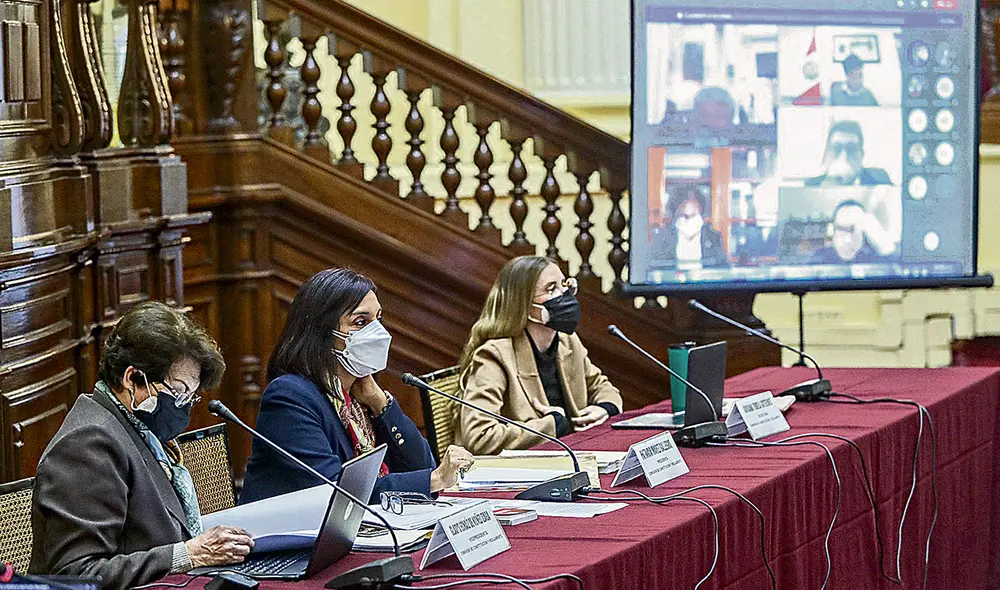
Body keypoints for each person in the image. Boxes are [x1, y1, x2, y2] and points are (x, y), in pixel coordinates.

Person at [30, 302, 251, 590]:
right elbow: (77, 574)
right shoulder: (87, 444)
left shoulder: (138, 428)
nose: (183, 407)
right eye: (178, 392)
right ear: (132, 379)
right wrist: (189, 554)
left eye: (190, 397)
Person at [240, 268, 473, 504]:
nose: (377, 332)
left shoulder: (358, 393)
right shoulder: (290, 397)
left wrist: (380, 403)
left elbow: (422, 465)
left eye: (378, 319)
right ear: (321, 333)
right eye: (360, 322)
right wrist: (431, 481)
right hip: (289, 536)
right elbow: (336, 491)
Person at [454, 256, 623, 455]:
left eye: (565, 284)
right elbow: (479, 436)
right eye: (551, 289)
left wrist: (605, 408)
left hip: (571, 457)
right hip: (521, 472)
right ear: (524, 306)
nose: (564, 294)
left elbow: (601, 386)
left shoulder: (567, 341)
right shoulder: (495, 355)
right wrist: (551, 426)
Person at [649, 188, 728, 269]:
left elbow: (722, 267)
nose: (689, 220)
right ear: (674, 216)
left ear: (702, 215)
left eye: (694, 215)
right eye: (684, 215)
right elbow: (654, 267)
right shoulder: (662, 238)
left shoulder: (713, 237)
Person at [804, 121, 891, 187]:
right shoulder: (812, 186)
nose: (843, 157)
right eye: (837, 148)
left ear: (861, 155)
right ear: (826, 154)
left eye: (851, 149)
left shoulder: (879, 180)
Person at [812, 200, 894, 263]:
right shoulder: (818, 260)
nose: (848, 240)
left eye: (855, 231)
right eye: (842, 230)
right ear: (832, 231)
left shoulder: (873, 259)